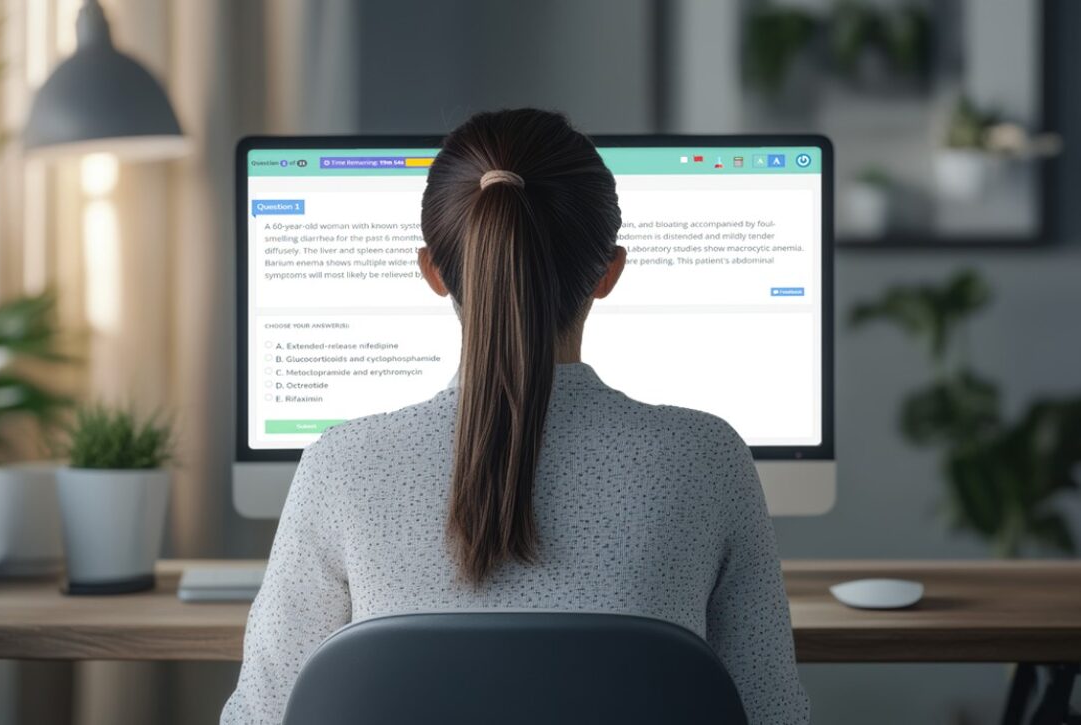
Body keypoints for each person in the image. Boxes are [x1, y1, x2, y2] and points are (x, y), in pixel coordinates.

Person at [221, 108, 809, 723]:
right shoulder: (706, 456)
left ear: (434, 271)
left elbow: (260, 716)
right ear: (608, 272)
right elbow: (771, 715)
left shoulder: (340, 465)